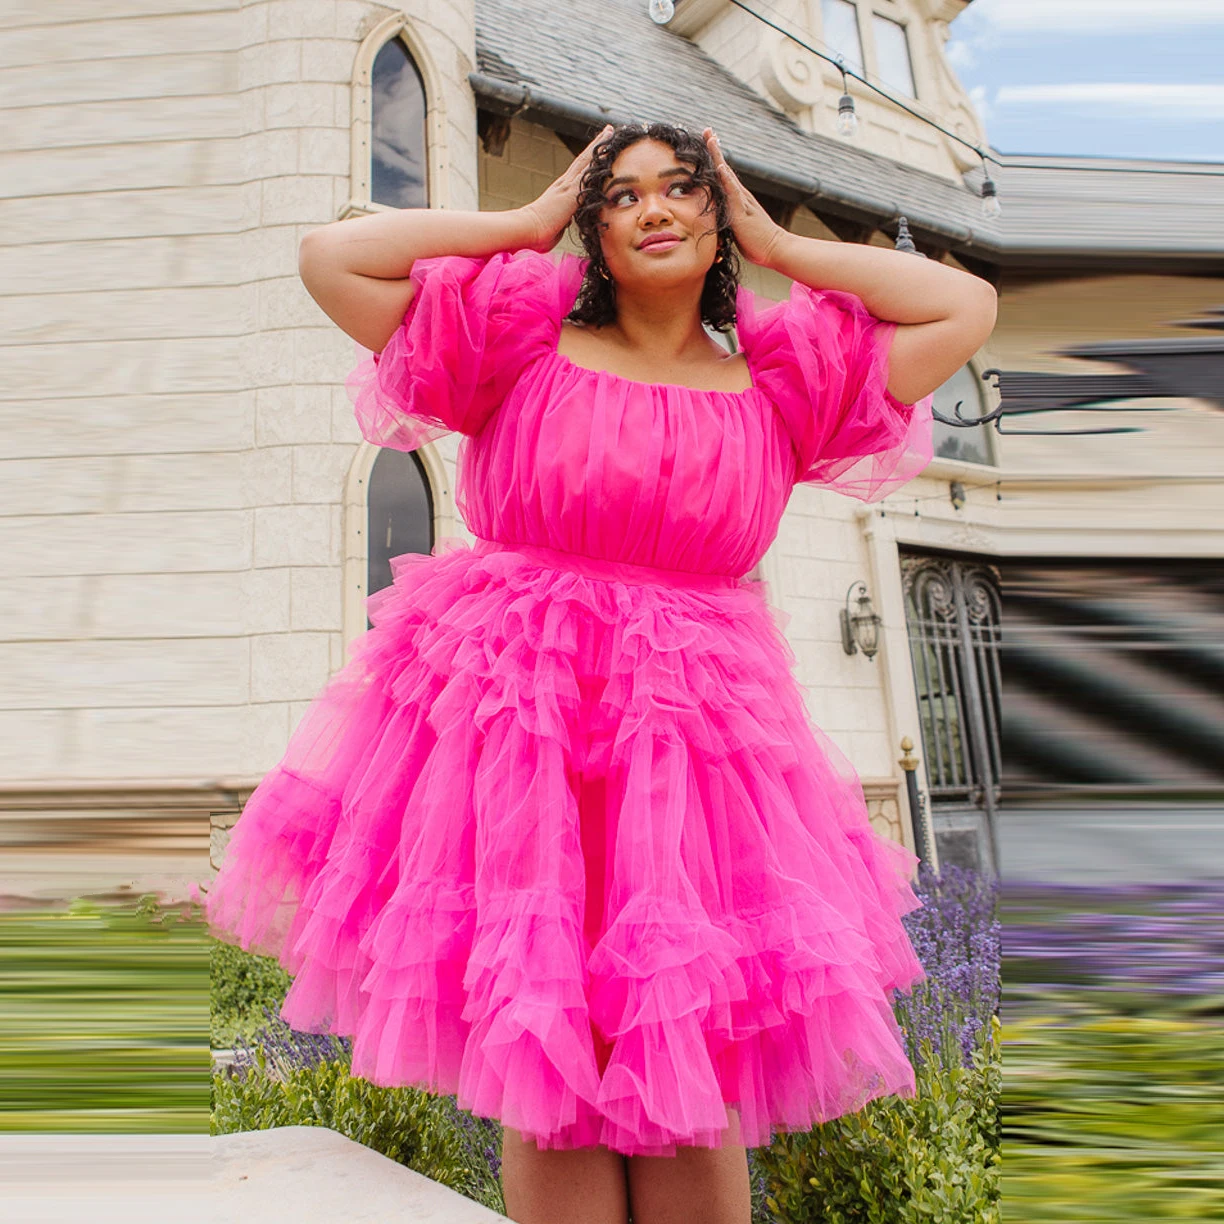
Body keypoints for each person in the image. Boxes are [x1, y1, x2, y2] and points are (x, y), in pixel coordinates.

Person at [207, 122, 997, 1224]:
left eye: (682, 188)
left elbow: (965, 307)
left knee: (689, 1072)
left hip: (695, 750)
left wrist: (775, 236)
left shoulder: (787, 384)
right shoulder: (514, 342)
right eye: (621, 196)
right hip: (522, 728)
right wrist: (527, 223)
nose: (655, 209)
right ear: (595, 225)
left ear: (715, 215)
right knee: (551, 1066)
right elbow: (329, 258)